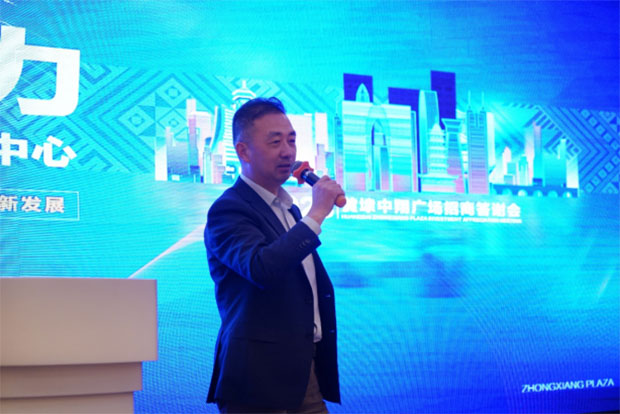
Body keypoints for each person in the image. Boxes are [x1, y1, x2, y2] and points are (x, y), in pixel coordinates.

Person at [204, 97, 343, 413]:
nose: (288, 151)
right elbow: (261, 268)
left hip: (303, 371)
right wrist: (317, 213)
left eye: (291, 140)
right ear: (243, 151)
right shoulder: (229, 209)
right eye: (275, 141)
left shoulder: (288, 209)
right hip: (257, 380)